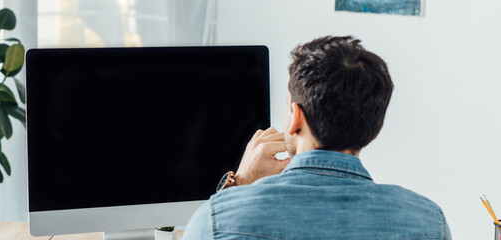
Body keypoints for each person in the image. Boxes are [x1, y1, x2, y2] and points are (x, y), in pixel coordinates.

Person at [182, 36, 451, 239]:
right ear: (376, 128)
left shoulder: (217, 221)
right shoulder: (427, 222)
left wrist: (238, 184)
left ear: (295, 116)